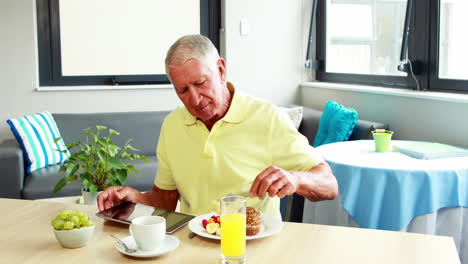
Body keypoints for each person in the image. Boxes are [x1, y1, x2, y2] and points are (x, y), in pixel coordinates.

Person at [97, 34, 338, 218]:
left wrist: (295, 179)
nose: (194, 98)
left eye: (200, 83)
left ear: (221, 70)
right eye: (182, 90)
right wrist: (135, 198)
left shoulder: (267, 117)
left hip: (253, 246)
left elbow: (329, 185)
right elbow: (166, 199)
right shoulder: (172, 126)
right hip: (193, 244)